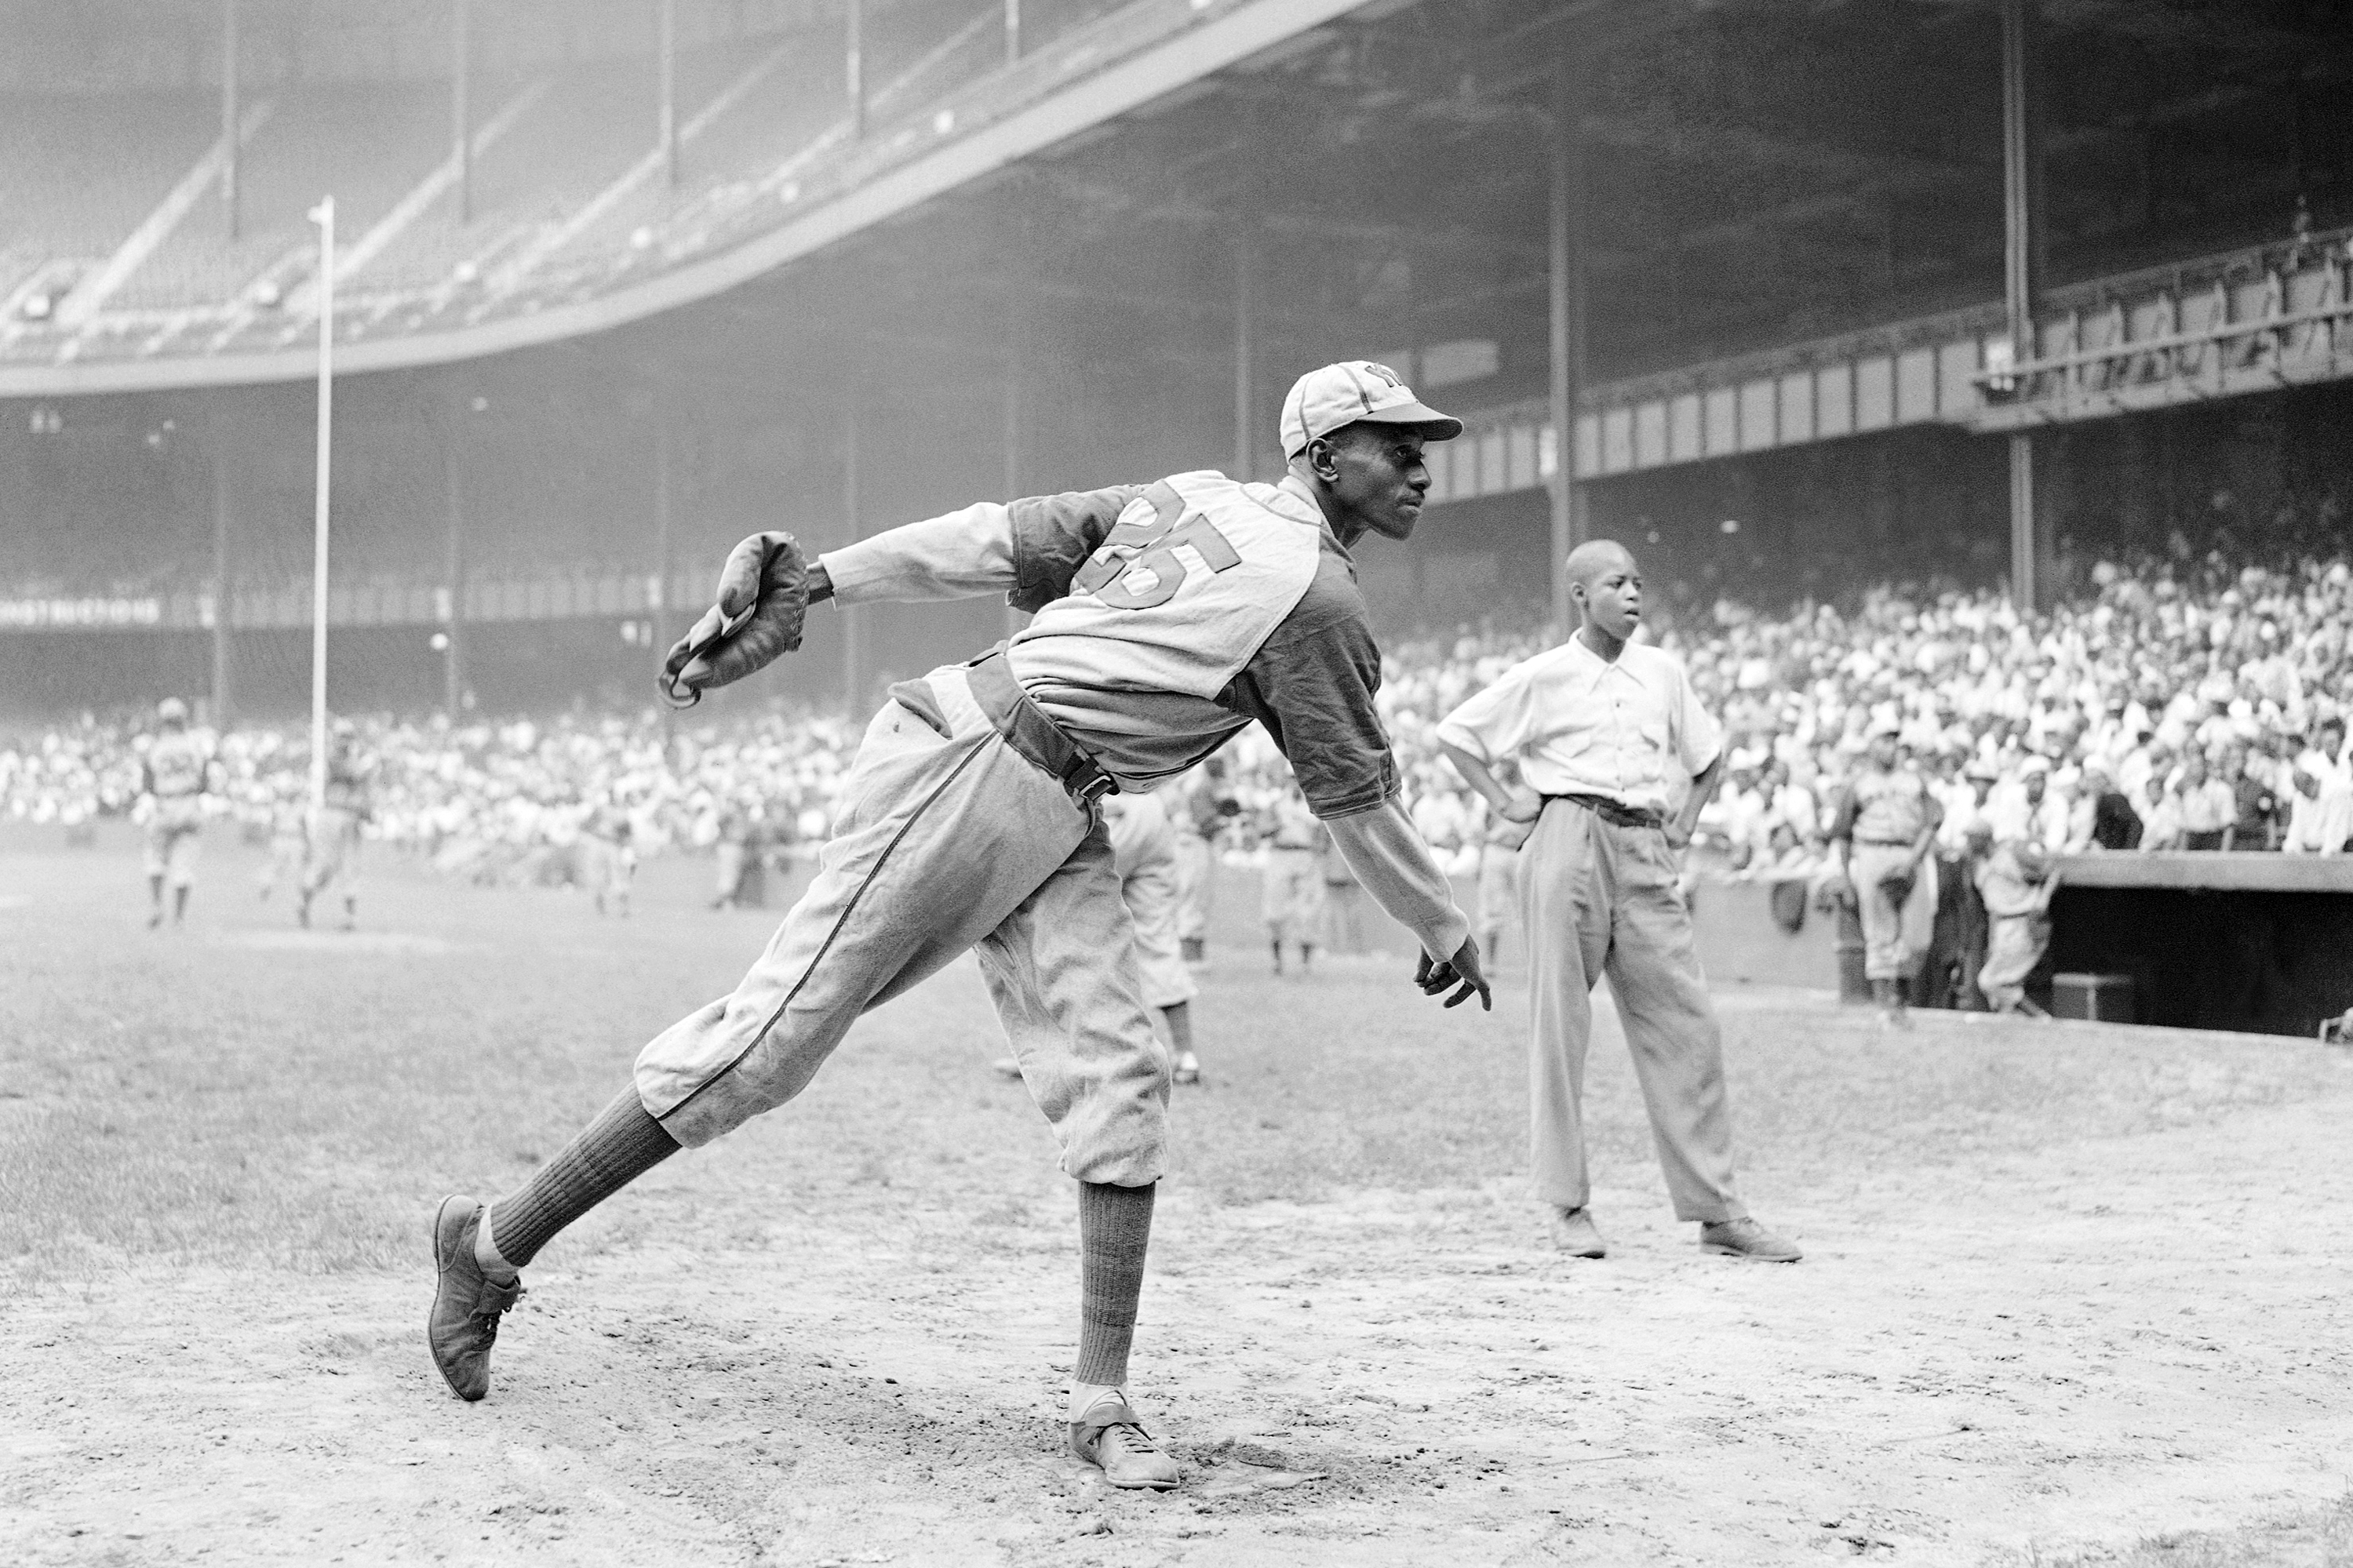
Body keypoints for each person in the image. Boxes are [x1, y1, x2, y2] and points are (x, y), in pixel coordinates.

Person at [425, 360, 1492, 1491]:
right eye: (1393, 440)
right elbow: (1355, 802)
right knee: (763, 1047)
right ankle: (487, 1244)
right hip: (972, 763)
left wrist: (823, 579)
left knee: (1122, 1074)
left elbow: (990, 537)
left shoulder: (1189, 497)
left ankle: (1099, 1398)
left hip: (1059, 800)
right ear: (1323, 454)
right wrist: (1439, 921)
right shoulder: (1314, 599)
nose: (1421, 461)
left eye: (1422, 442)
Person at [1435, 539, 1799, 1264]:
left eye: (1638, 581)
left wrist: (1689, 817)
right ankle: (1567, 1205)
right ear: (1579, 594)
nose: (1633, 593)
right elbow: (1457, 735)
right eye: (1614, 583)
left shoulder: (1662, 670)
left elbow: (1707, 753)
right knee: (1560, 1025)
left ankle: (1717, 1211)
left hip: (1644, 842)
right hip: (1567, 832)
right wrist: (1506, 798)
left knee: (1688, 1022)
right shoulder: (1545, 674)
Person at [993, 788, 1205, 1086]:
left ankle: (1046, 1054)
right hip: (1151, 809)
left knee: (1056, 929)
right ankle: (1186, 1056)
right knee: (1157, 938)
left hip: (1106, 801)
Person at [1829, 717, 1942, 1025]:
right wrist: (1845, 874)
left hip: (1909, 853)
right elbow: (1842, 832)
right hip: (1872, 852)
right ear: (1871, 745)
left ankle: (1901, 1004)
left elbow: (1934, 820)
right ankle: (1885, 1007)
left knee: (1916, 936)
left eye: (1894, 740)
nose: (1890, 746)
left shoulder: (1914, 781)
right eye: (1884, 740)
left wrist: (1915, 858)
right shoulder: (1860, 783)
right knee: (1879, 933)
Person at [137, 697, 213, 929]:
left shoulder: (154, 746)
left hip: (164, 804)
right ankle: (179, 918)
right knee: (184, 865)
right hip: (189, 804)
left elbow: (148, 784)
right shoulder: (196, 745)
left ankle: (157, 904)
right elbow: (203, 782)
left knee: (156, 858)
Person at [298, 720, 372, 931]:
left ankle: (350, 918)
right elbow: (350, 774)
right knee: (325, 868)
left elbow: (362, 791)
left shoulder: (353, 759)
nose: (346, 742)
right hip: (331, 815)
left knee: (350, 867)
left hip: (350, 817)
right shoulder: (331, 759)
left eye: (349, 737)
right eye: (343, 737)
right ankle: (304, 902)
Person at [1976, 839, 2057, 1016]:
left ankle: (2038, 1016)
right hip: (2001, 924)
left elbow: (2050, 872)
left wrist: (2045, 895)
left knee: (1989, 981)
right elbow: (1992, 907)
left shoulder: (2009, 855)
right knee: (2002, 989)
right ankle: (2026, 1024)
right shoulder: (1981, 864)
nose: (1969, 844)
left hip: (2021, 922)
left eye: (1973, 839)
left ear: (1984, 838)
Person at [1261, 781, 1324, 973]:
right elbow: (1262, 830)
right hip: (1281, 853)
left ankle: (1305, 962)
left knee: (1308, 911)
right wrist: (1279, 823)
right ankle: (1277, 960)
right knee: (1275, 909)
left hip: (1306, 855)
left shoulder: (1314, 803)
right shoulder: (1278, 804)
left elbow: (1324, 834)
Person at [2281, 764, 2353, 854]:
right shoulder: (2300, 797)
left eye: (2307, 786)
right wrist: (2291, 848)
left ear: (2315, 781)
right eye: (2302, 790)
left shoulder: (2337, 793)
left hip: (2344, 847)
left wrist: (2327, 854)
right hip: (2315, 850)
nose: (2306, 793)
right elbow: (2297, 825)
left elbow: (2337, 828)